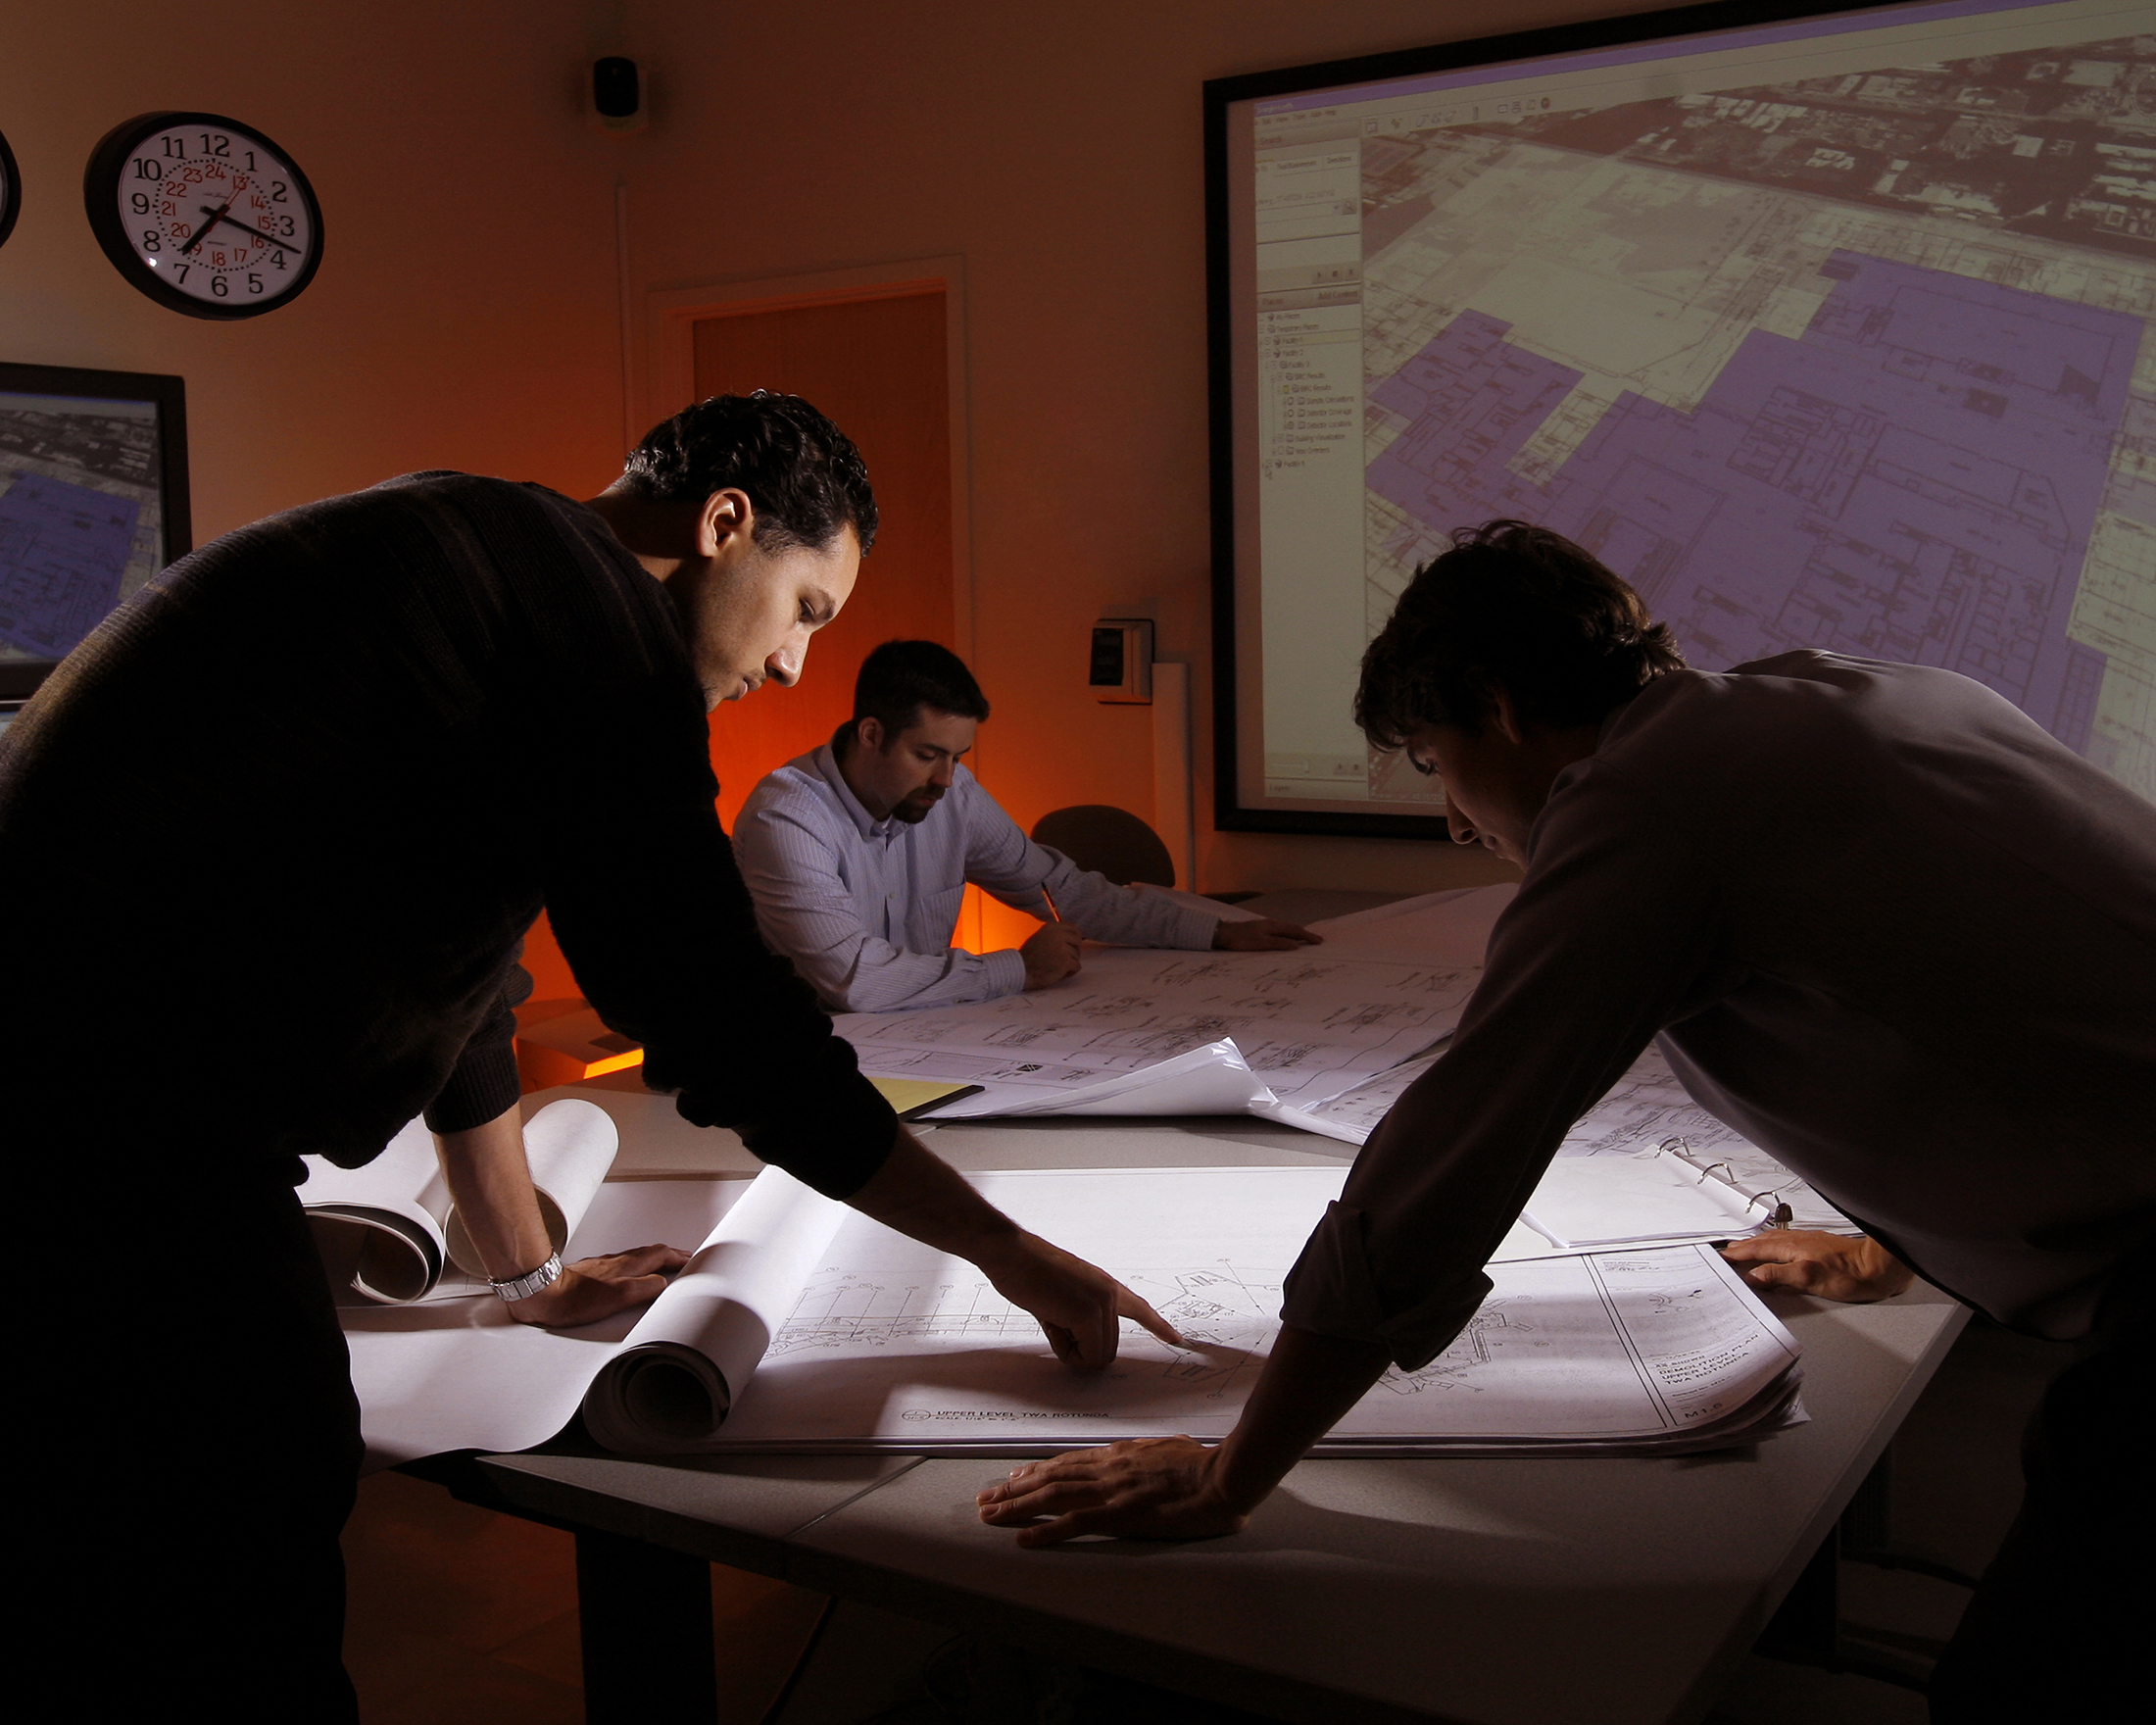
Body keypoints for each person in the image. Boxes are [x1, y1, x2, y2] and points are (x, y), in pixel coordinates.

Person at [1, 392, 1174, 1721]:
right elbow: (719, 1013)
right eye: (804, 608)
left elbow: (469, 983)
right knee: (238, 1521)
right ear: (723, 524)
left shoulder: (476, 555)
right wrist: (1006, 1251)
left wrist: (528, 1275)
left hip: (77, 1099)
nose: (796, 667)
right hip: (96, 1134)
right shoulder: (587, 626)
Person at [975, 520, 2155, 1721]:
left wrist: (1230, 1474)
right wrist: (1890, 1242)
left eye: (1434, 761)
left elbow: (1453, 1154)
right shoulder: (1847, 689)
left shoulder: (1650, 796)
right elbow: (1984, 995)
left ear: (1497, 706)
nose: (1455, 820)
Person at [735, 638, 1318, 1011]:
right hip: (802, 1066)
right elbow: (853, 980)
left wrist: (1215, 932)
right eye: (927, 755)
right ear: (871, 734)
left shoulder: (953, 796)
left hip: (923, 1046)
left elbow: (1063, 890)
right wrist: (1017, 968)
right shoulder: (787, 817)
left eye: (957, 757)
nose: (946, 779)